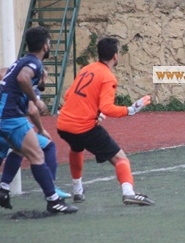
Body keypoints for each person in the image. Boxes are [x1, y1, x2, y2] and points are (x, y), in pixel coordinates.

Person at [0, 26, 78, 214]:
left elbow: (11, 76)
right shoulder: (34, 63)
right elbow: (22, 78)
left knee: (20, 150)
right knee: (38, 155)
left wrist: (38, 84)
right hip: (9, 117)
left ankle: (3, 189)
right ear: (45, 46)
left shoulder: (22, 61)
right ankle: (53, 201)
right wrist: (36, 100)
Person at [57, 37, 154, 206]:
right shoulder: (108, 77)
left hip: (63, 125)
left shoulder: (87, 68)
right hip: (83, 127)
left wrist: (96, 113)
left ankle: (77, 190)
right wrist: (130, 110)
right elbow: (107, 107)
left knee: (76, 148)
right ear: (115, 56)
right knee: (120, 158)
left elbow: (68, 96)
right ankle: (128, 193)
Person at [0, 69, 70, 201]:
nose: (46, 80)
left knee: (4, 149)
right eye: (45, 77)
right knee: (48, 146)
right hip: (6, 127)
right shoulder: (32, 90)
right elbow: (32, 111)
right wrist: (41, 129)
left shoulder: (11, 83)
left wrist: (15, 71)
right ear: (39, 78)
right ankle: (52, 188)